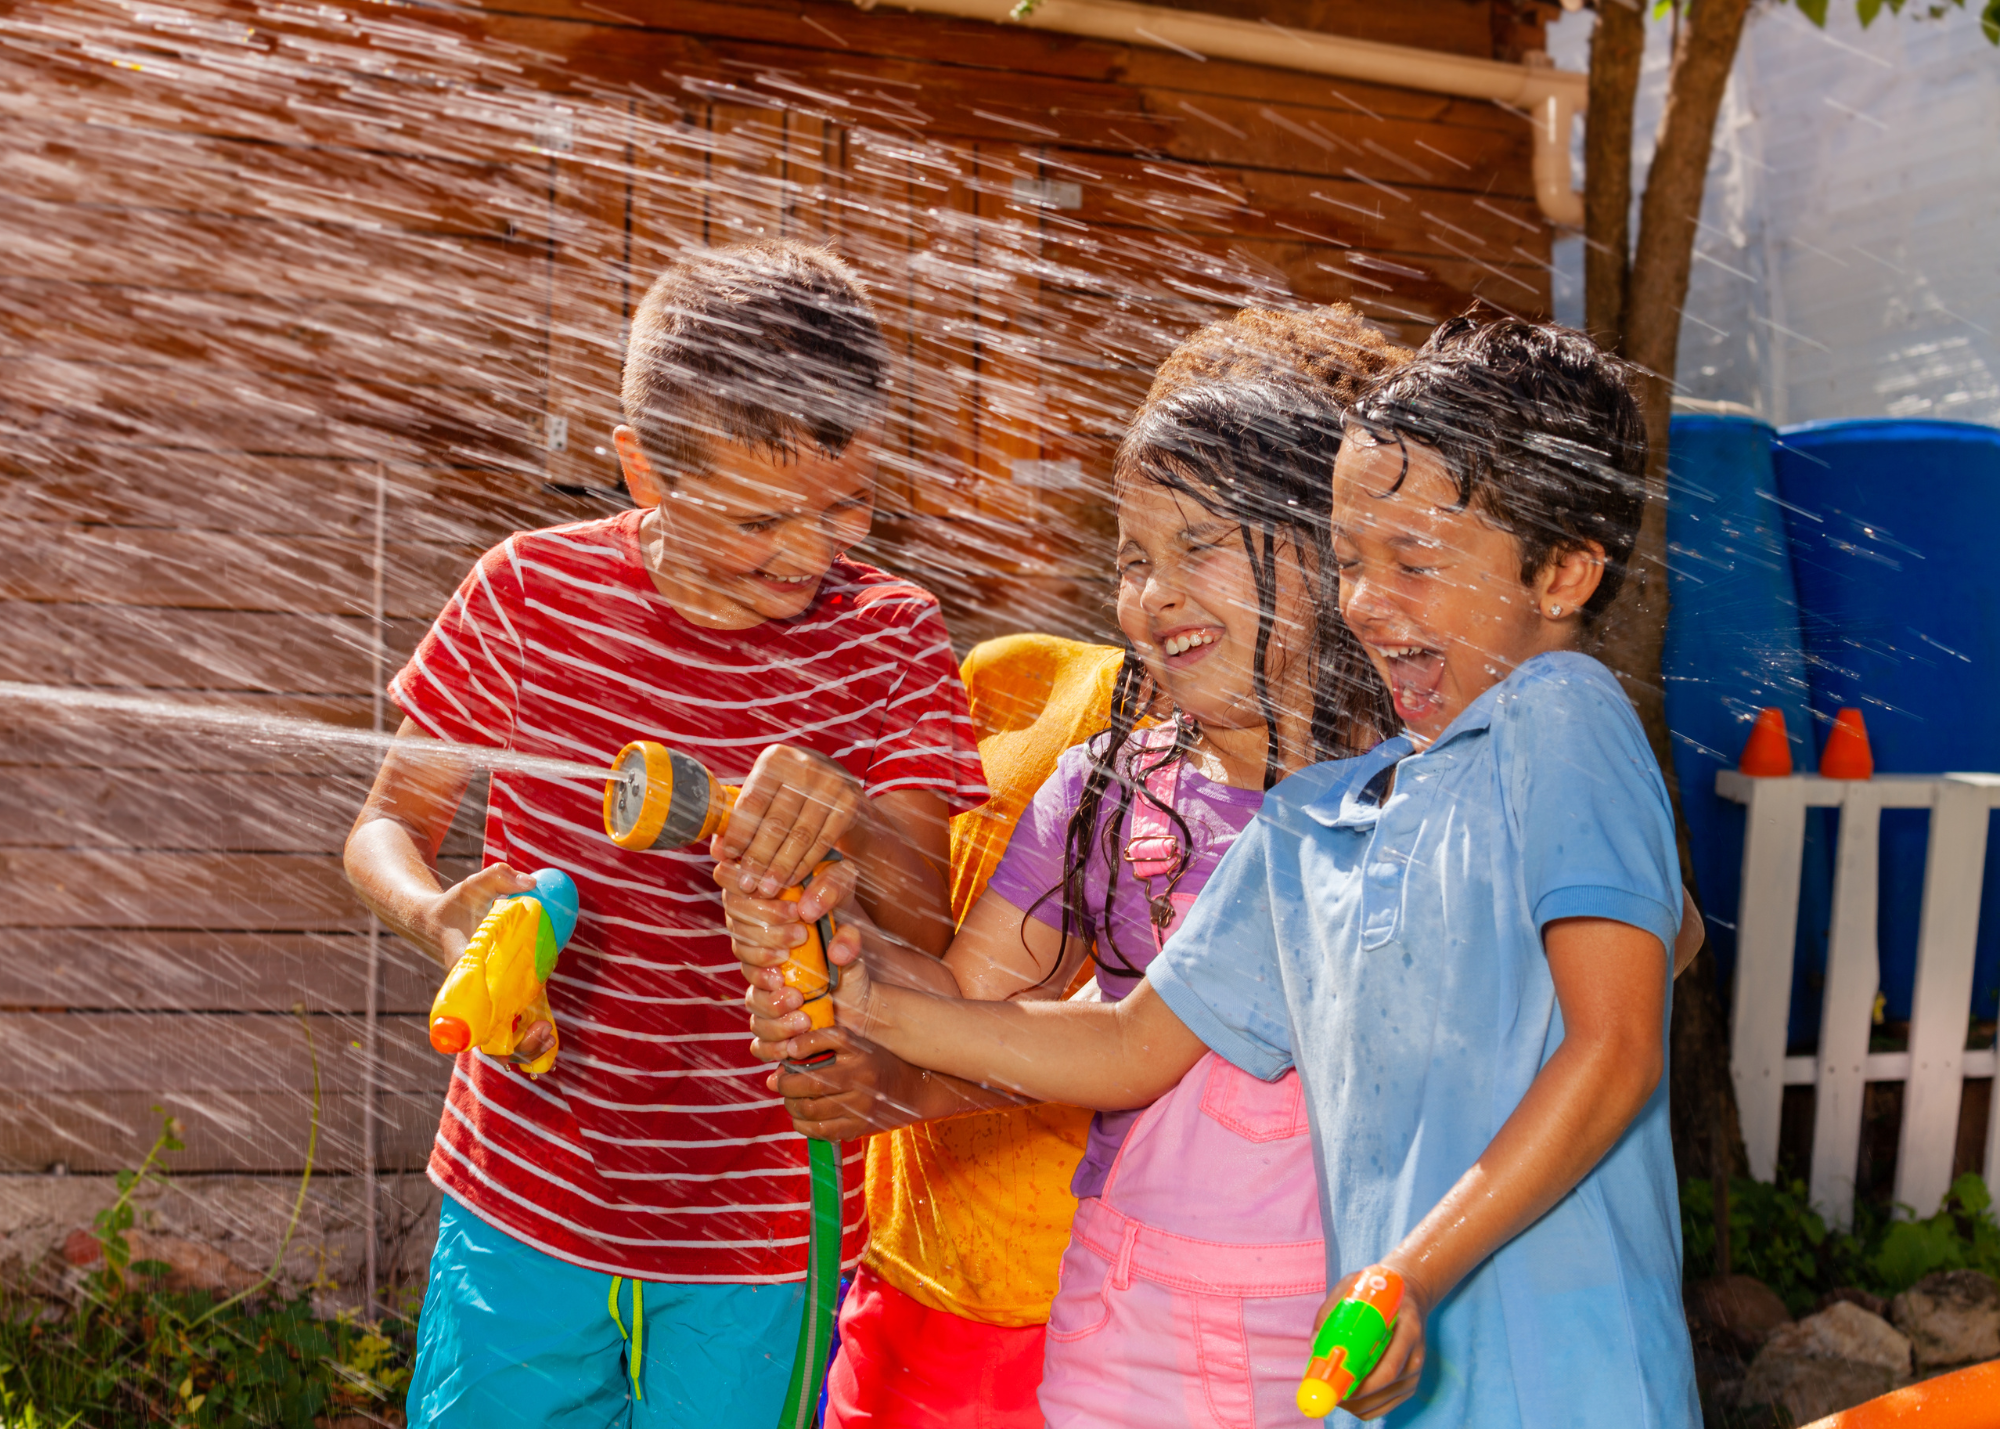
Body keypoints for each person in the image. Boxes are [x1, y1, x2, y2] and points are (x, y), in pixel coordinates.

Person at [750, 316, 1704, 1425]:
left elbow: (1618, 1033)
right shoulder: (1322, 820)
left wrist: (1409, 1275)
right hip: (1328, 1358)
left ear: (1563, 572)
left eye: (1410, 561)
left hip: (1534, 1363)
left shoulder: (1554, 717)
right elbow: (1128, 1043)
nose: (1369, 599)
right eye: (1353, 558)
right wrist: (859, 992)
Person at [723, 307, 1408, 1426]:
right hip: (1119, 1316)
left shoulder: (1405, 796)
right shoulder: (1106, 788)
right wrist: (823, 935)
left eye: (1199, 546)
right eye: (1133, 558)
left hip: (1334, 1318)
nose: (1156, 592)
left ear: (1321, 554)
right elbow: (973, 1002)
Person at [343, 239, 987, 1427]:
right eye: (757, 517)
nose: (806, 554)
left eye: (844, 506)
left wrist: (836, 817)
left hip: (766, 1229)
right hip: (523, 1193)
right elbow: (387, 822)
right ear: (644, 469)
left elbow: (922, 931)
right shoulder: (527, 595)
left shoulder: (889, 635)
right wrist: (437, 912)